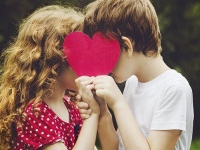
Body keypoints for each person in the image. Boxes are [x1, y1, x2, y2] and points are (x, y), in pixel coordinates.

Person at [77, 0, 194, 150]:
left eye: (105, 56)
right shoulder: (133, 83)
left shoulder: (174, 88)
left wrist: (119, 104)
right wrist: (101, 111)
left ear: (127, 46)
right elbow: (115, 147)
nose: (104, 67)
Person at [0, 5, 100, 150]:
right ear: (56, 60)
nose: (88, 62)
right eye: (80, 53)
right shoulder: (34, 113)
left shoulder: (71, 108)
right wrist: (92, 117)